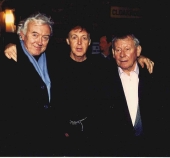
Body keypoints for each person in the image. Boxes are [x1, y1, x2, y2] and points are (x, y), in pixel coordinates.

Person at [3, 21, 155, 156]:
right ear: (68, 41)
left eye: (84, 38)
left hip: (95, 138)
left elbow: (124, 62)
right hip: (61, 137)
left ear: (89, 42)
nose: (79, 43)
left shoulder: (102, 66)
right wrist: (11, 45)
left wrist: (139, 58)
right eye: (74, 37)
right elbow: (33, 52)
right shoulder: (54, 62)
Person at [0, 13, 64, 156]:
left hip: (51, 143)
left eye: (45, 37)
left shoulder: (55, 59)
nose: (40, 41)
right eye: (34, 35)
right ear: (22, 35)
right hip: (19, 145)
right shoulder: (7, 61)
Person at [94, 32, 163, 156]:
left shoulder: (152, 74)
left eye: (127, 49)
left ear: (138, 50)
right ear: (113, 53)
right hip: (117, 150)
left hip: (151, 147)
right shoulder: (103, 78)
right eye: (118, 50)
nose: (122, 55)